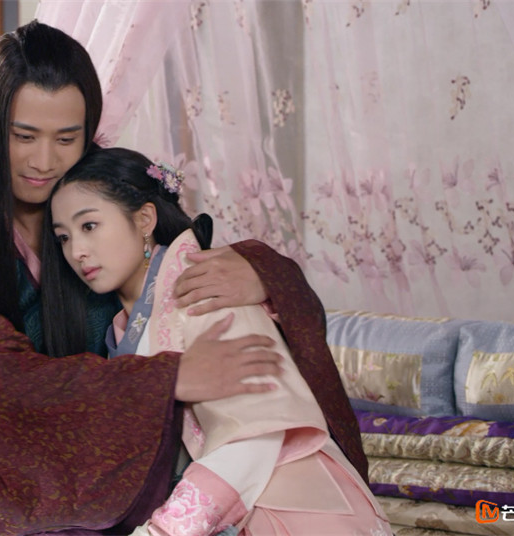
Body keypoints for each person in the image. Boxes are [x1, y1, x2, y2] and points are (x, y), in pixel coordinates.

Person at [0, 20, 364, 535]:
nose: (44, 161)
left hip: (129, 465)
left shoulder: (103, 202)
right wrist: (169, 379)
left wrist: (261, 271)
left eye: (67, 138)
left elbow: (176, 247)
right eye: (23, 136)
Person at [42, 147, 391, 536]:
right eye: (63, 237)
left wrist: (162, 531)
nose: (77, 251)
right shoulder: (125, 323)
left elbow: (258, 434)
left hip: (298, 510)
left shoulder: (209, 290)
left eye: (89, 226)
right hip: (239, 510)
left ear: (144, 219)